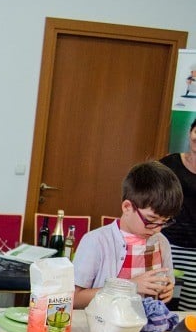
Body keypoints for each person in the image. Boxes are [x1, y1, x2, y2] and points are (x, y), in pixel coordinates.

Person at [73, 161, 183, 309]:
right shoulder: (96, 241)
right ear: (127, 207)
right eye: (150, 220)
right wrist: (130, 286)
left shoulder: (161, 242)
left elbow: (168, 282)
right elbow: (74, 298)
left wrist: (168, 290)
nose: (157, 229)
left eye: (164, 222)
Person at [160, 119, 196, 310]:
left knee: (191, 312)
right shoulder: (170, 164)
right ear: (190, 132)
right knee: (167, 305)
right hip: (169, 246)